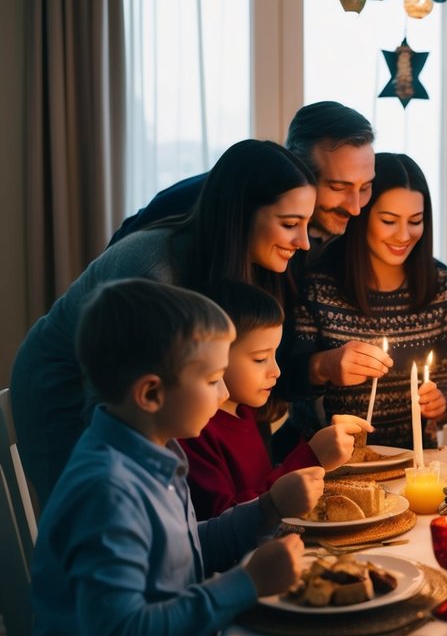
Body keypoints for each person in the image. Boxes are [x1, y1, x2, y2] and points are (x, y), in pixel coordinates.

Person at [24, 279, 320, 636]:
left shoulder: (153, 452)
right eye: (210, 380)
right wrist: (246, 584)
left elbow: (186, 552)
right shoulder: (106, 490)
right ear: (151, 394)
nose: (224, 390)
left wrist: (266, 509)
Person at [11, 139, 315, 504]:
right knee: (101, 507)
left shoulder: (239, 262)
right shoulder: (156, 270)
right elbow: (113, 409)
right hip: (67, 388)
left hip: (122, 394)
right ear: (241, 213)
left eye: (307, 224)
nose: (304, 242)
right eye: (290, 224)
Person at [295, 153, 447, 448]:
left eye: (416, 221)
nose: (403, 235)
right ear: (362, 217)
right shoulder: (318, 281)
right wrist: (326, 365)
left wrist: (442, 401)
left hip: (411, 461)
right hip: (332, 462)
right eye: (388, 221)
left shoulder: (440, 284)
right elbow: (290, 382)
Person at [182, 281, 371, 519]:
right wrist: (311, 457)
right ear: (215, 357)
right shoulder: (195, 432)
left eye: (275, 355)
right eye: (261, 359)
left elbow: (262, 483)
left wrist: (328, 447)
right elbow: (226, 522)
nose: (276, 371)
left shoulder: (246, 413)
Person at [110, 101, 377, 245]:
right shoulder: (222, 207)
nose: (355, 208)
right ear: (298, 170)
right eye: (338, 188)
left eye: (365, 187)